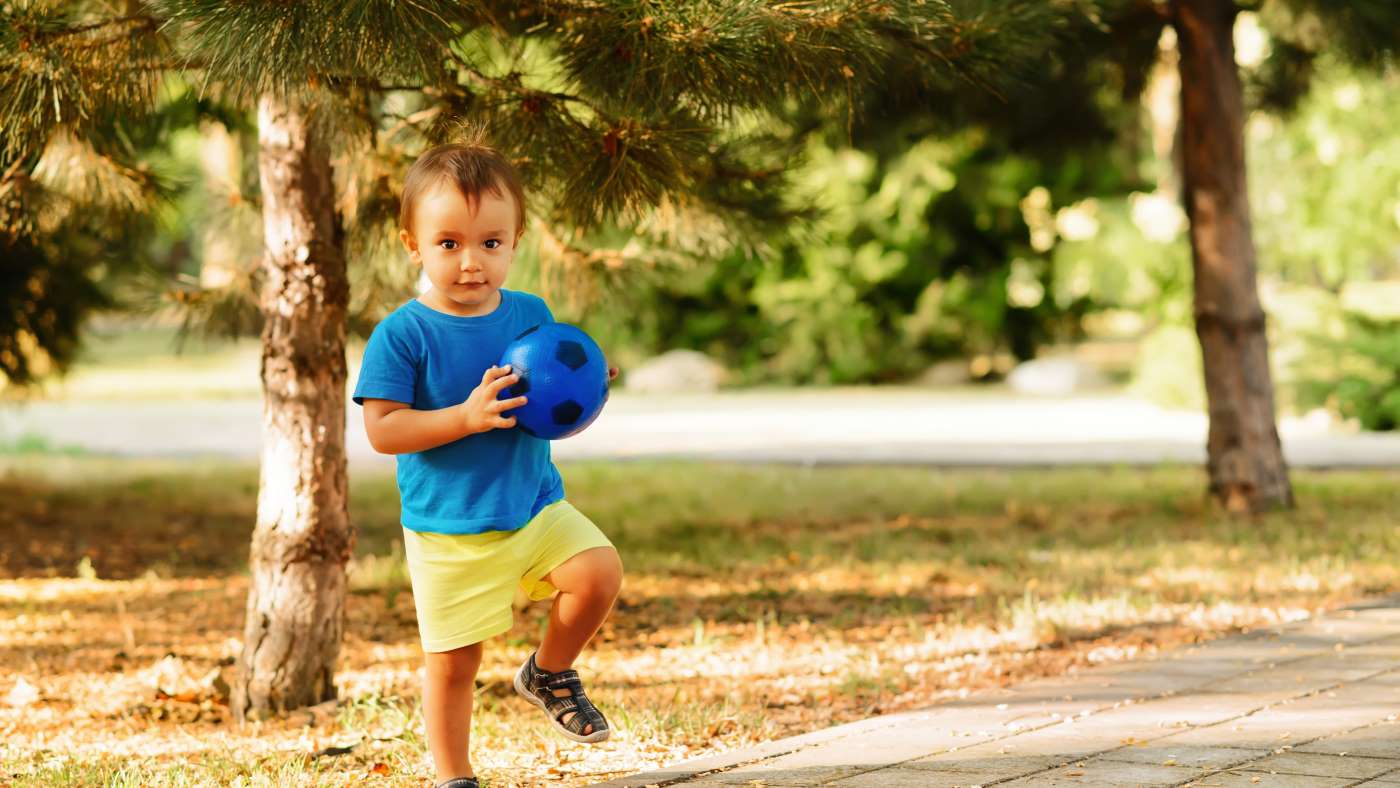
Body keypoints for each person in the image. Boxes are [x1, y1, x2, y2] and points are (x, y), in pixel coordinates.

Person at [353, 136, 623, 788]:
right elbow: (382, 430)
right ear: (413, 245)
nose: (471, 262)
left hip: (533, 506)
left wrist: (583, 386)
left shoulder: (530, 315)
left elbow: (546, 393)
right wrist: (463, 418)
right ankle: (453, 777)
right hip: (450, 529)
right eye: (449, 244)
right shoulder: (404, 334)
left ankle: (550, 672)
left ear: (515, 240)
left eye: (490, 243)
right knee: (453, 664)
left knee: (598, 574)